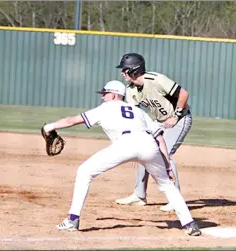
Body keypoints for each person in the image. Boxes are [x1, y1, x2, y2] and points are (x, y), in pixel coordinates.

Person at [42, 80, 201, 236]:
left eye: (104, 94)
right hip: (149, 145)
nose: (102, 97)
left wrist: (50, 127)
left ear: (113, 95)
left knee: (84, 171)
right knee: (167, 184)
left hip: (125, 144)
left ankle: (72, 220)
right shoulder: (138, 112)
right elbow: (159, 138)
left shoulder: (105, 108)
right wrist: (167, 166)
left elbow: (72, 120)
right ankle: (190, 224)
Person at [115, 53, 193, 212]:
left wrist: (175, 116)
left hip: (180, 119)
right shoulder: (131, 90)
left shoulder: (156, 79)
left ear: (135, 70)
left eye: (125, 70)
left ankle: (176, 199)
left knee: (167, 155)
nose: (123, 73)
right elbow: (135, 113)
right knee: (145, 151)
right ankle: (139, 195)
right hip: (159, 121)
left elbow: (184, 94)